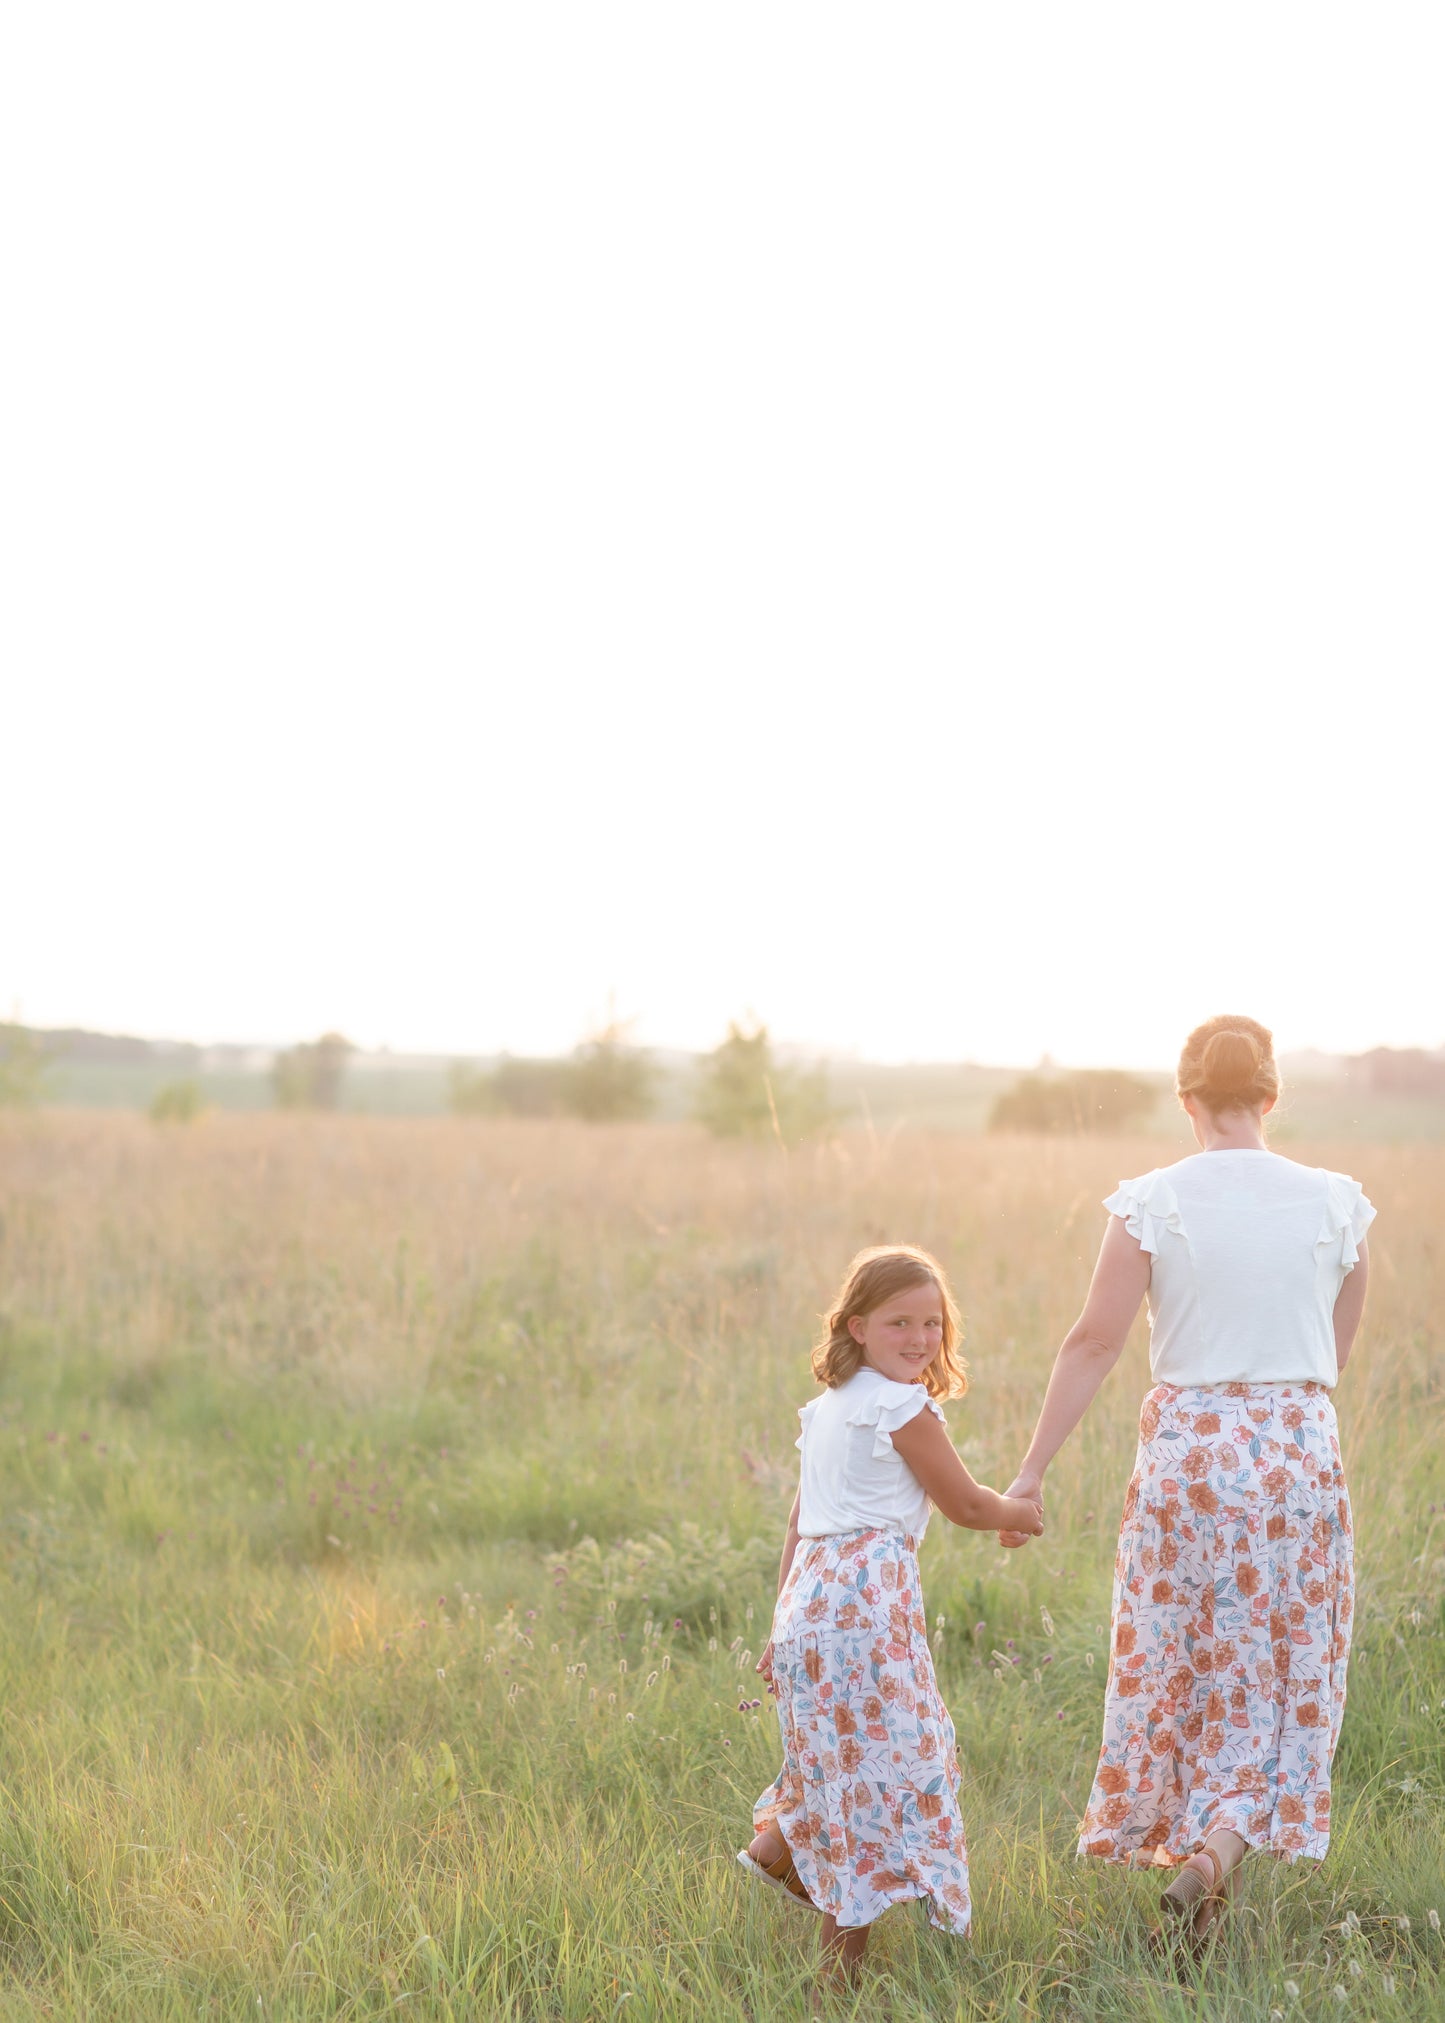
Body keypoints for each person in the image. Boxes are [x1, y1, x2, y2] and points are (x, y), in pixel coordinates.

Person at [999, 1015, 1373, 1950]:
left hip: (1189, 1454)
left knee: (1185, 1664)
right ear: (1270, 1095)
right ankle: (1220, 1850)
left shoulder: (1153, 1201)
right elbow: (1334, 1344)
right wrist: (1282, 1407)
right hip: (1296, 1447)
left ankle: (1198, 1863)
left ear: (1186, 1098)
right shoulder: (1336, 1202)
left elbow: (1093, 1341)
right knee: (1285, 1670)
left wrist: (1030, 1471)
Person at [738, 1244, 1043, 1990]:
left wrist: (780, 1627)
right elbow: (966, 1503)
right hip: (866, 1610)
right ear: (855, 1327)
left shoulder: (826, 1409)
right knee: (884, 1775)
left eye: (932, 1324)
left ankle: (785, 1853)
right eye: (899, 1321)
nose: (918, 1338)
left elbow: (795, 1525)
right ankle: (827, 1958)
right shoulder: (899, 1406)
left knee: (846, 1771)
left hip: (811, 1603)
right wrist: (1021, 1511)